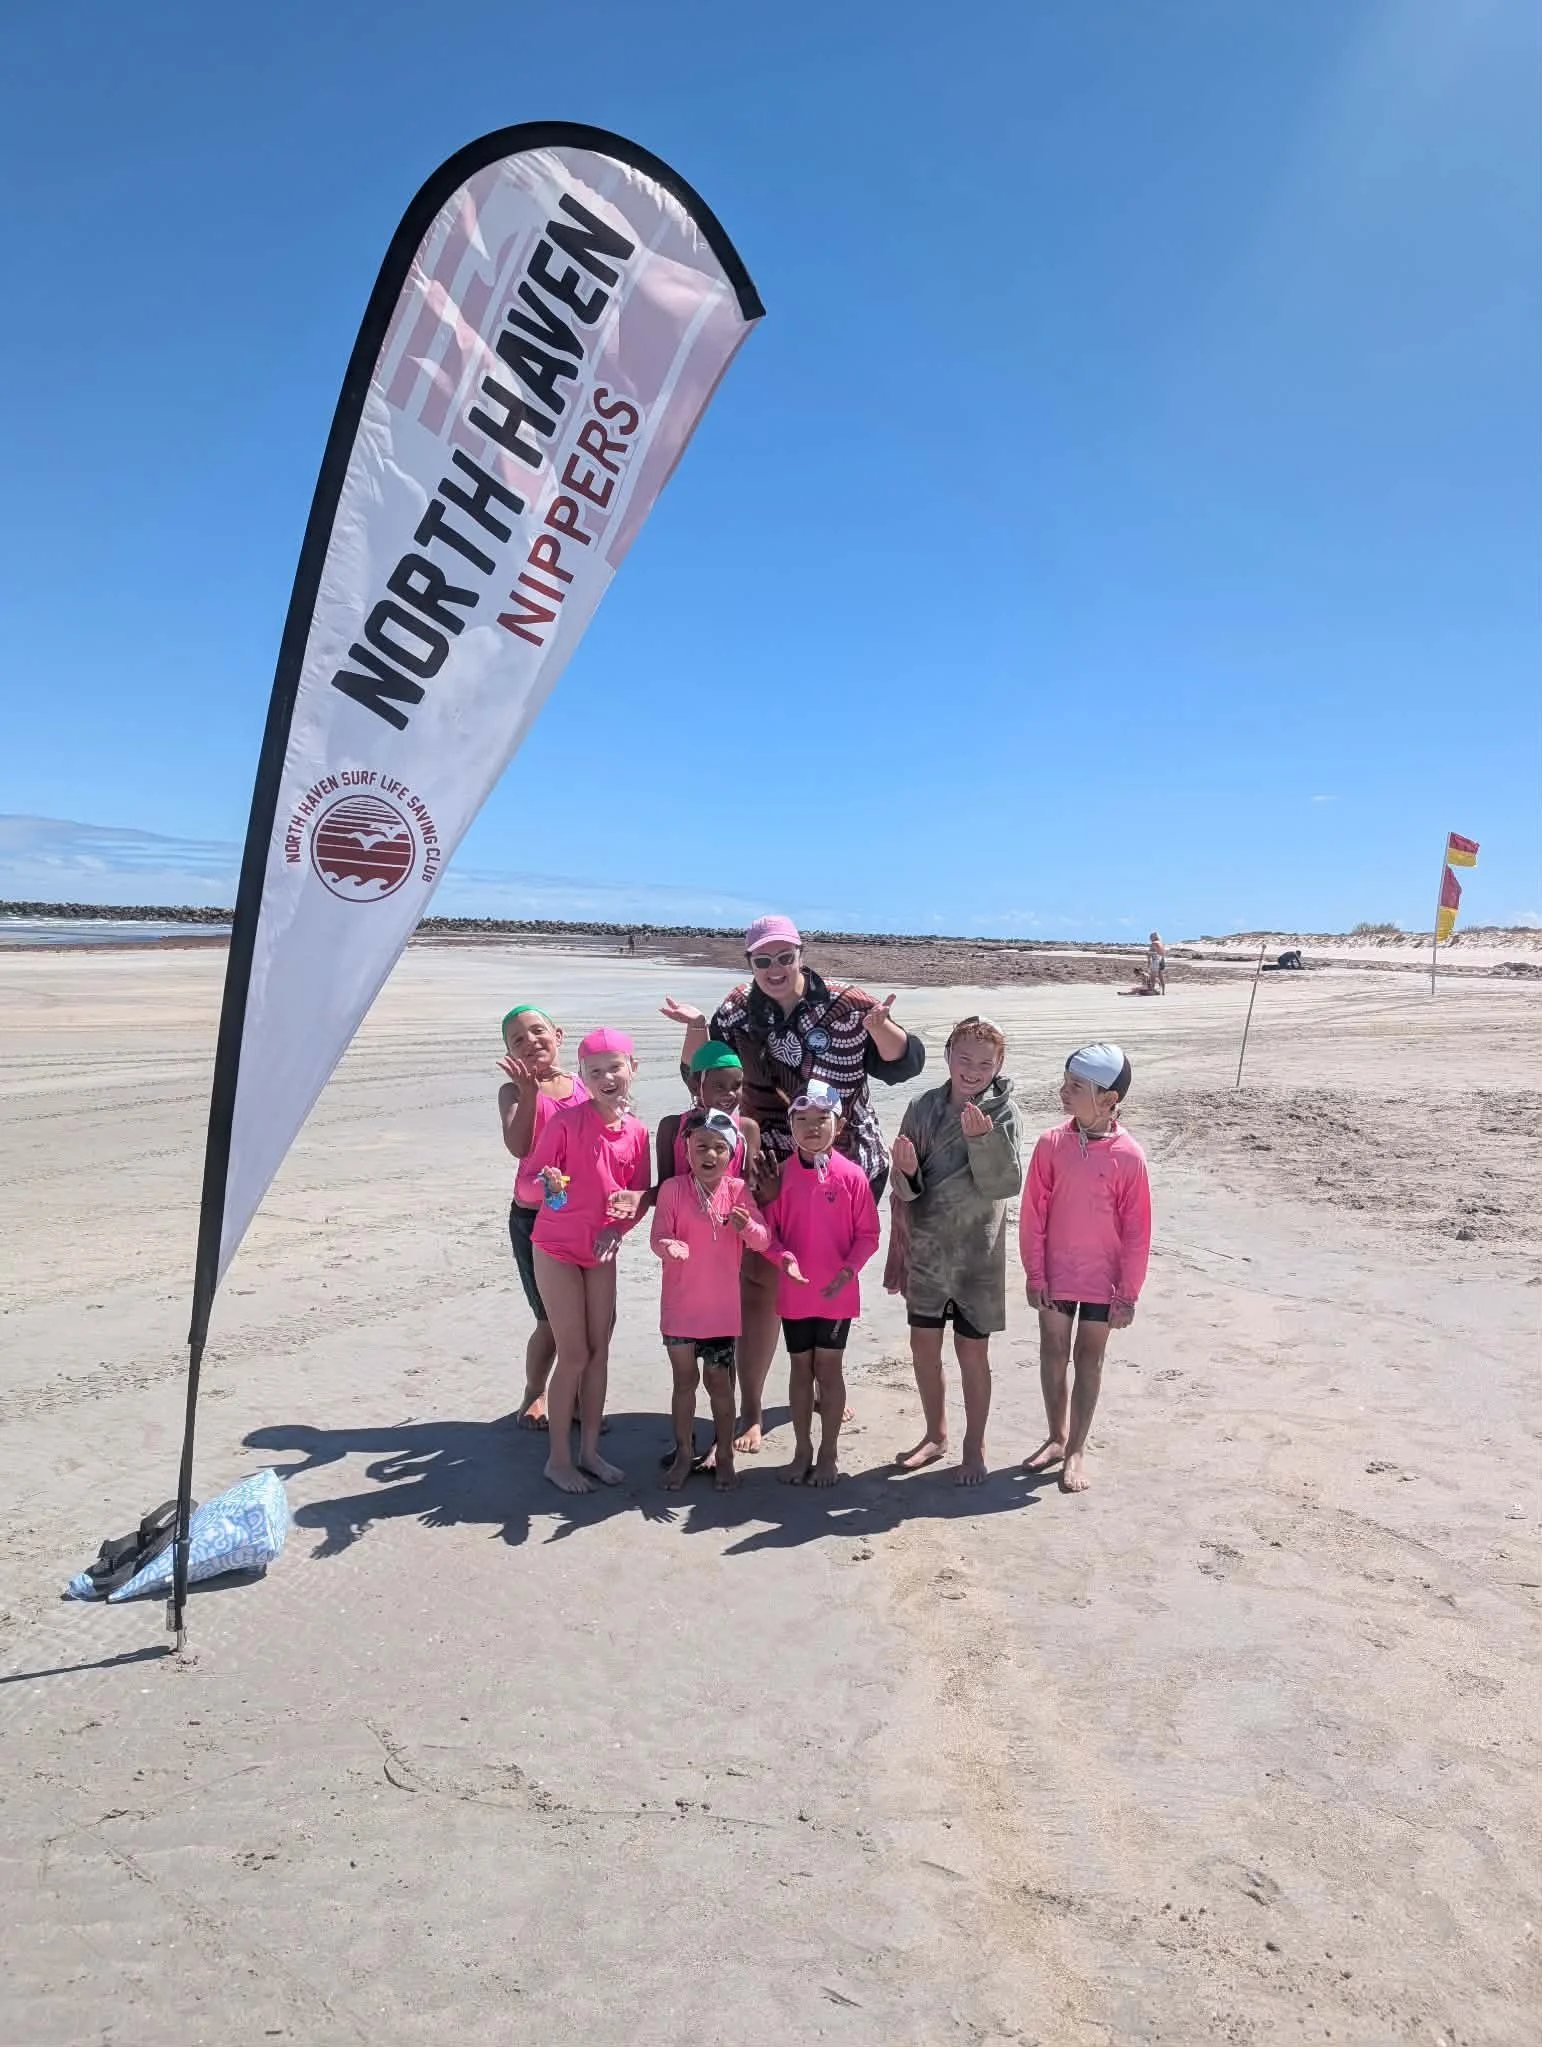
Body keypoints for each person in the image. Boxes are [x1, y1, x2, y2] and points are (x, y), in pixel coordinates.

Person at [661, 914, 924, 1452]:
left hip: (845, 1166)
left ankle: (828, 1382)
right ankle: (754, 1408)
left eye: (785, 956)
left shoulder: (848, 1005)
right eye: (764, 959)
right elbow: (702, 1072)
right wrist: (694, 1029)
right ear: (750, 963)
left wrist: (882, 1030)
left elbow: (904, 1064)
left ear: (802, 954)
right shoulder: (735, 1009)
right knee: (760, 1286)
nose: (776, 968)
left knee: (826, 1279)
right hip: (767, 1168)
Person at [889, 1016, 1022, 1485]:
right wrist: (905, 1173)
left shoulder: (1002, 1112)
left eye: (985, 1063)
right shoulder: (922, 1107)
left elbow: (1006, 1182)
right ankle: (935, 1433)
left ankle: (974, 1443)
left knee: (972, 1352)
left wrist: (982, 1140)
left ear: (998, 1064)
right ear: (947, 1056)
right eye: (963, 1059)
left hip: (976, 1255)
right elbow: (902, 1189)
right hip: (927, 1249)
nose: (973, 1070)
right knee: (923, 1345)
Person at [1020, 1043, 1151, 1495]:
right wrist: (1034, 1274)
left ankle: (1077, 1447)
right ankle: (1056, 1437)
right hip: (1057, 1272)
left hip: (1103, 1279)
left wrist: (1128, 1293)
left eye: (1076, 1087)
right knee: (1052, 1353)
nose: (1064, 1092)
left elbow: (1137, 1232)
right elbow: (1033, 1213)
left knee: (1087, 1359)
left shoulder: (1129, 1156)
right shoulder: (1051, 1144)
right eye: (1066, 1082)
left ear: (1109, 1099)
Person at [524, 1029, 651, 1495]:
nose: (606, 1078)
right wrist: (550, 1186)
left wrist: (617, 1228)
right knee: (574, 1353)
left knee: (599, 1353)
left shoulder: (637, 1132)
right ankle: (558, 1460)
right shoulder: (565, 1123)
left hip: (601, 1251)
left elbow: (638, 1198)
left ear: (633, 1070)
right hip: (555, 1248)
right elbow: (527, 1186)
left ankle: (590, 1452)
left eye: (615, 1067)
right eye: (594, 1071)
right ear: (582, 1077)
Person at [650, 1108, 790, 1493]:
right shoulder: (673, 1190)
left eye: (719, 1148)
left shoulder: (739, 1192)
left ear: (732, 1155)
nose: (709, 1155)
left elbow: (762, 1241)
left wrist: (750, 1227)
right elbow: (656, 1236)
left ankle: (725, 1455)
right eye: (701, 1147)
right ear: (687, 1150)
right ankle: (682, 1455)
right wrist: (669, 1245)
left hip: (721, 1313)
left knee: (719, 1385)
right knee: (683, 1383)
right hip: (680, 1310)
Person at [760, 1082, 881, 1487]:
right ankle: (801, 1452)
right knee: (799, 1368)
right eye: (803, 1120)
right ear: (790, 1125)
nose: (812, 1127)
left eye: (821, 1119)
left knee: (828, 1368)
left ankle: (828, 1453)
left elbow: (868, 1234)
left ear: (840, 1124)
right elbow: (768, 1234)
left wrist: (849, 1270)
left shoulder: (852, 1176)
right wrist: (784, 1260)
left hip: (837, 1292)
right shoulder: (781, 1176)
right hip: (794, 1290)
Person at [496, 1006, 588, 1430]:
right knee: (550, 1321)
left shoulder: (584, 1085)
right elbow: (519, 1147)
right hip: (534, 1220)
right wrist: (529, 1092)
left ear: (559, 1034)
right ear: (509, 1052)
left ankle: (574, 1400)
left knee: (584, 1321)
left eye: (538, 1031)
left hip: (580, 1217)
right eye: (518, 1039)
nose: (531, 1041)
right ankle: (535, 1393)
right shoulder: (512, 1093)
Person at [654, 1041, 762, 1190]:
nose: (730, 1094)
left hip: (729, 1213)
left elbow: (751, 1190)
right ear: (694, 1087)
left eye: (736, 1086)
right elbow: (662, 1189)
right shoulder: (672, 1127)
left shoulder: (747, 1129)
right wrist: (639, 1198)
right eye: (719, 1086)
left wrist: (770, 1191)